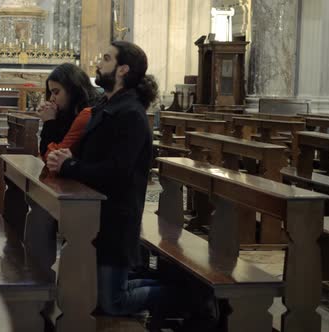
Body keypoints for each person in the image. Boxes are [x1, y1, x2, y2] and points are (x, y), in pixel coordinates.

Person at [46, 41, 219, 331]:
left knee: (113, 302)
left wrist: (71, 166)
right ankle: (179, 283)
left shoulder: (131, 114)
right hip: (96, 214)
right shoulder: (106, 105)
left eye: (106, 58)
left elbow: (117, 171)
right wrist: (68, 158)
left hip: (117, 216)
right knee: (97, 297)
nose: (99, 63)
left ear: (123, 69)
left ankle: (198, 296)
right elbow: (93, 153)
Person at [37, 63, 99, 161]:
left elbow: (51, 157)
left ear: (72, 90)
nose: (51, 99)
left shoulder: (87, 114)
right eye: (51, 93)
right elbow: (45, 154)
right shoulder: (65, 112)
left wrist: (49, 122)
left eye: (56, 92)